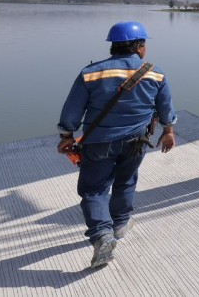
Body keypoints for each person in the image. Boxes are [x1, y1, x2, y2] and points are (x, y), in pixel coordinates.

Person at [57, 21, 176, 268]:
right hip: (137, 141)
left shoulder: (91, 73)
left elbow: (72, 110)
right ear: (139, 46)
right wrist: (168, 132)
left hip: (99, 142)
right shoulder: (155, 73)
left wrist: (67, 135)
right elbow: (165, 108)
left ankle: (102, 234)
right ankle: (120, 224)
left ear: (113, 46)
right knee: (126, 180)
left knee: (94, 189)